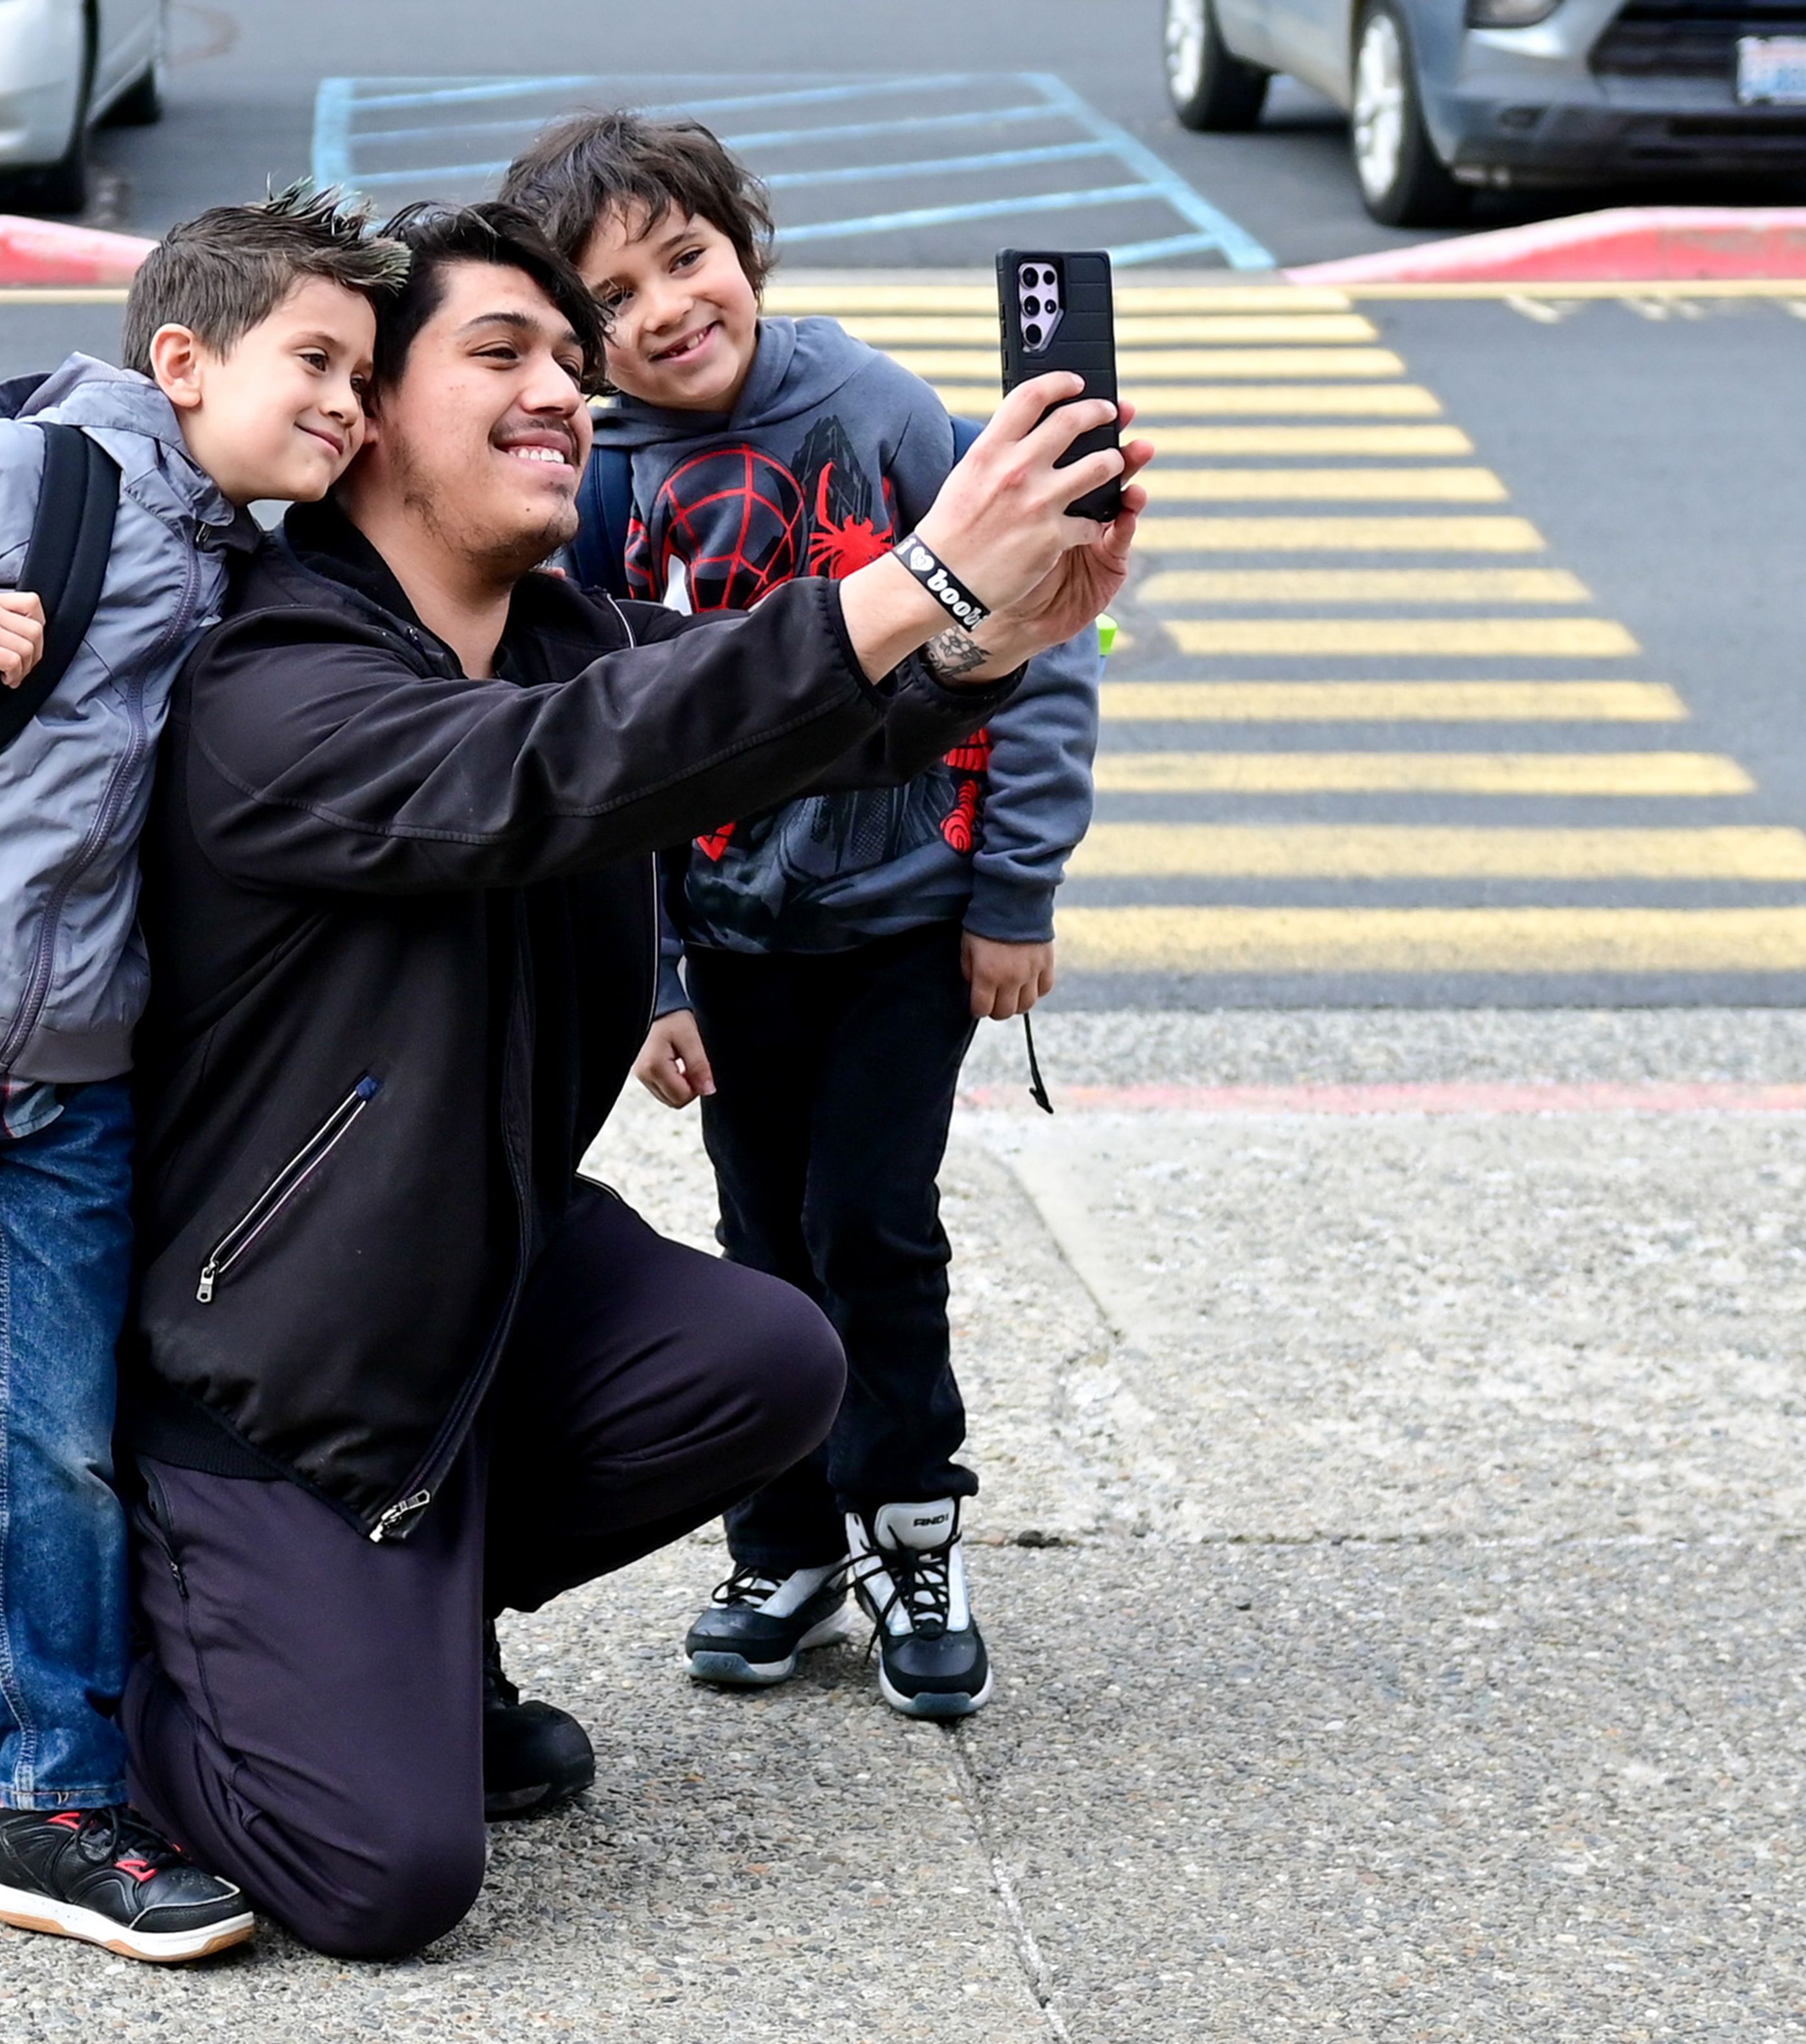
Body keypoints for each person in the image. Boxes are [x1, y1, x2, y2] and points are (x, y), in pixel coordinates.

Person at [0, 197, 1146, 1959]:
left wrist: (994, 636)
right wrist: (923, 577)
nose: (564, 391)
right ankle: (39, 1620)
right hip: (256, 1363)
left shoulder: (559, 633)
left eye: (573, 365)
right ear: (363, 421)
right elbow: (554, 773)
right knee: (384, 1874)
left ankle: (387, 1627)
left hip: (464, 1272)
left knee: (764, 1357)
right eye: (502, 353)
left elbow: (748, 706)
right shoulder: (272, 683)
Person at [0, 186, 406, 1963]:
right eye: (316, 362)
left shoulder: (262, 569)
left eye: (363, 374)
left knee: (62, 1441)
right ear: (184, 360)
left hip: (82, 1081)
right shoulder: (40, 475)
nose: (346, 403)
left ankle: (56, 1800)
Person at [501, 112, 1101, 1720]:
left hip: (909, 922)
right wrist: (657, 977)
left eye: (686, 257)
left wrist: (1014, 888)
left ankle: (914, 1523)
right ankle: (784, 1547)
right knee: (759, 1250)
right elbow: (600, 755)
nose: (668, 307)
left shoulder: (882, 409)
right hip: (727, 945)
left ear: (741, 248)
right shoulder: (597, 483)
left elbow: (1038, 636)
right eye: (614, 296)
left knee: (871, 1227)